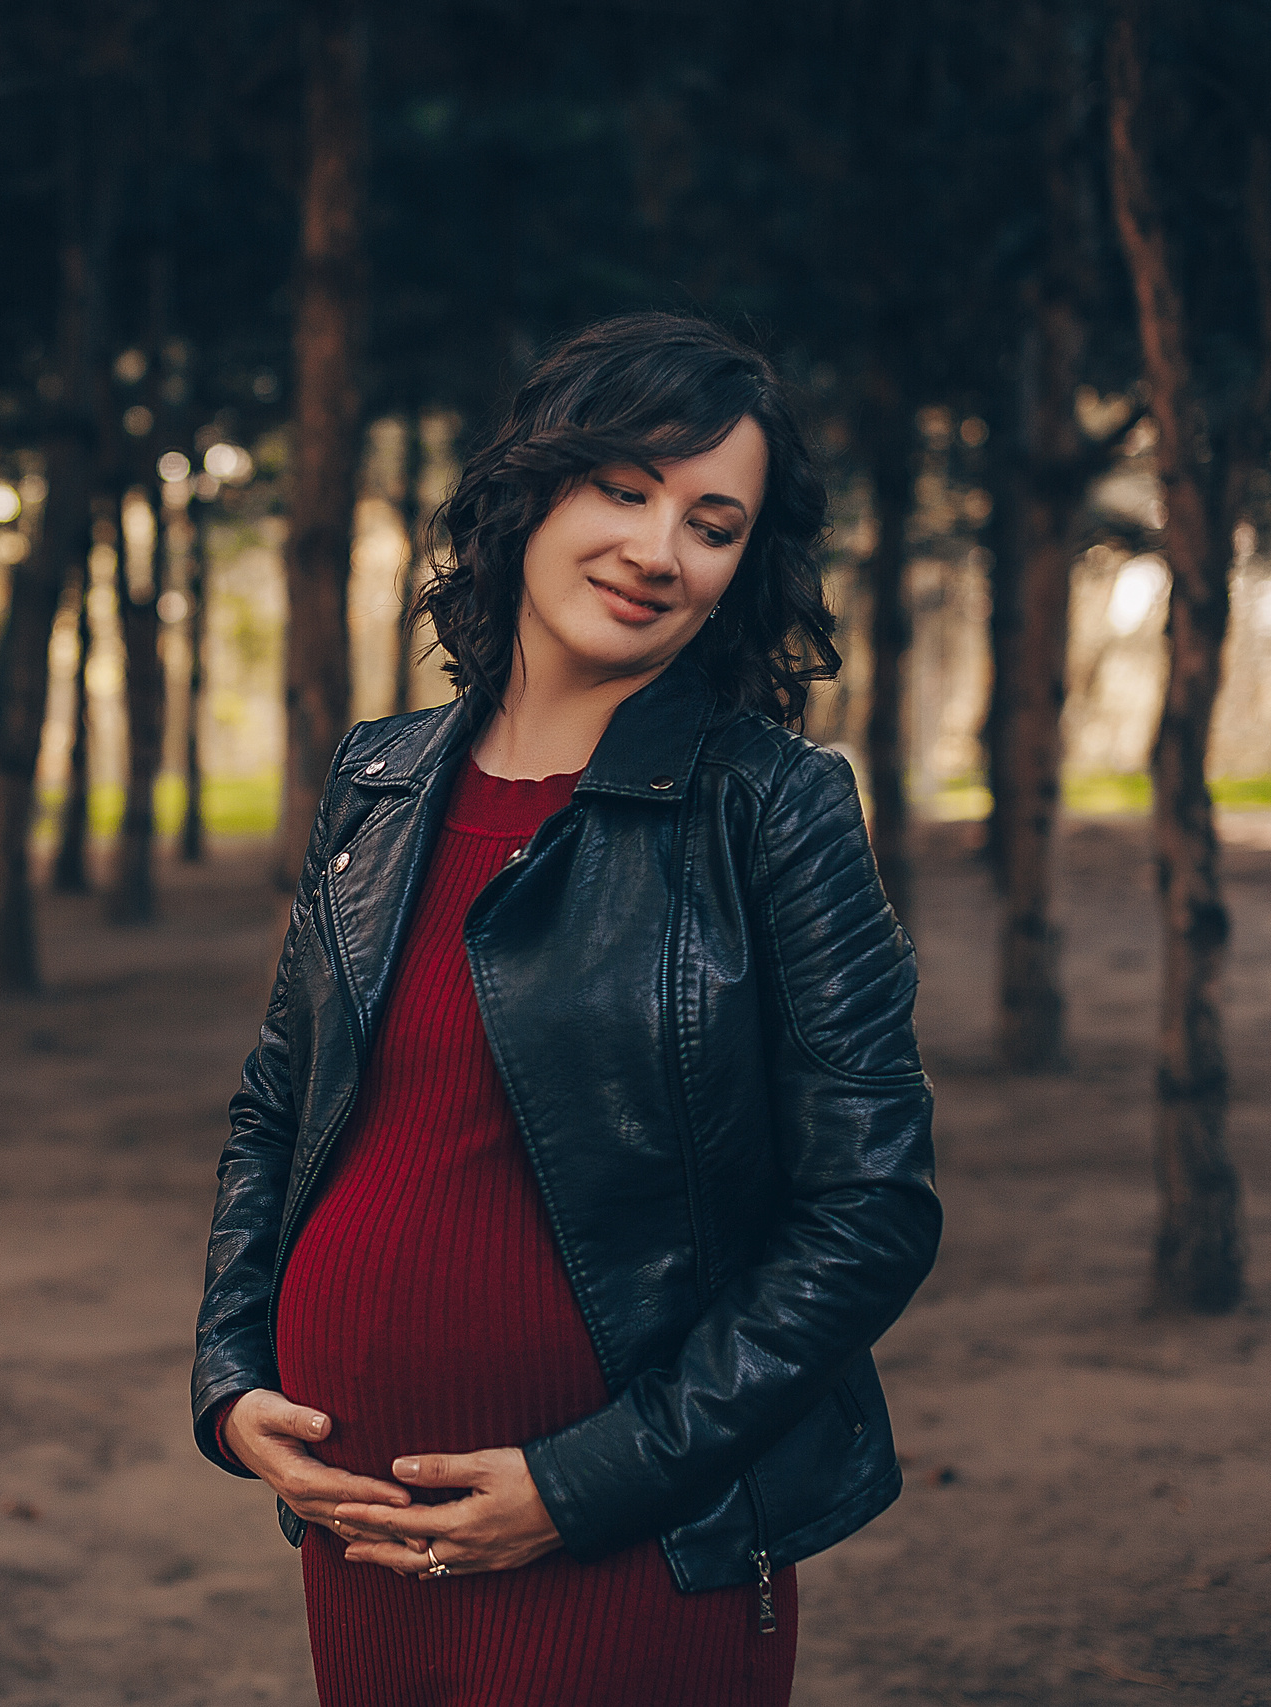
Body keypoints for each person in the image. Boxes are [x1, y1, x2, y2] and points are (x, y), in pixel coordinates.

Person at [190, 312, 941, 1706]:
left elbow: (871, 1211)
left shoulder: (772, 809)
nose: (660, 551)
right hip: (360, 1529)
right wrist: (231, 1386)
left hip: (637, 1543)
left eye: (712, 523)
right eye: (627, 488)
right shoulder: (381, 780)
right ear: (532, 489)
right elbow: (277, 1110)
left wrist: (584, 1483)